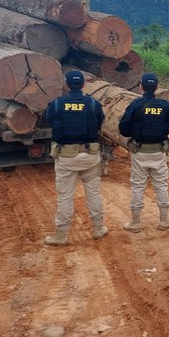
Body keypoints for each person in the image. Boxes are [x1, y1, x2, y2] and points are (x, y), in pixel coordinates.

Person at [44, 70, 107, 246]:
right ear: (84, 85)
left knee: (65, 197)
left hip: (66, 157)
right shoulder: (93, 104)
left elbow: (49, 120)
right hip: (90, 156)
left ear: (66, 84)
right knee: (93, 193)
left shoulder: (57, 104)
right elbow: (100, 121)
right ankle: (98, 229)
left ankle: (61, 236)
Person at [118, 72, 169, 232]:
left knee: (138, 186)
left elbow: (123, 129)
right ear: (157, 88)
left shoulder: (135, 105)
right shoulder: (165, 106)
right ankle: (164, 221)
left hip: (139, 152)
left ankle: (136, 223)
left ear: (141, 87)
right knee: (161, 185)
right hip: (159, 152)